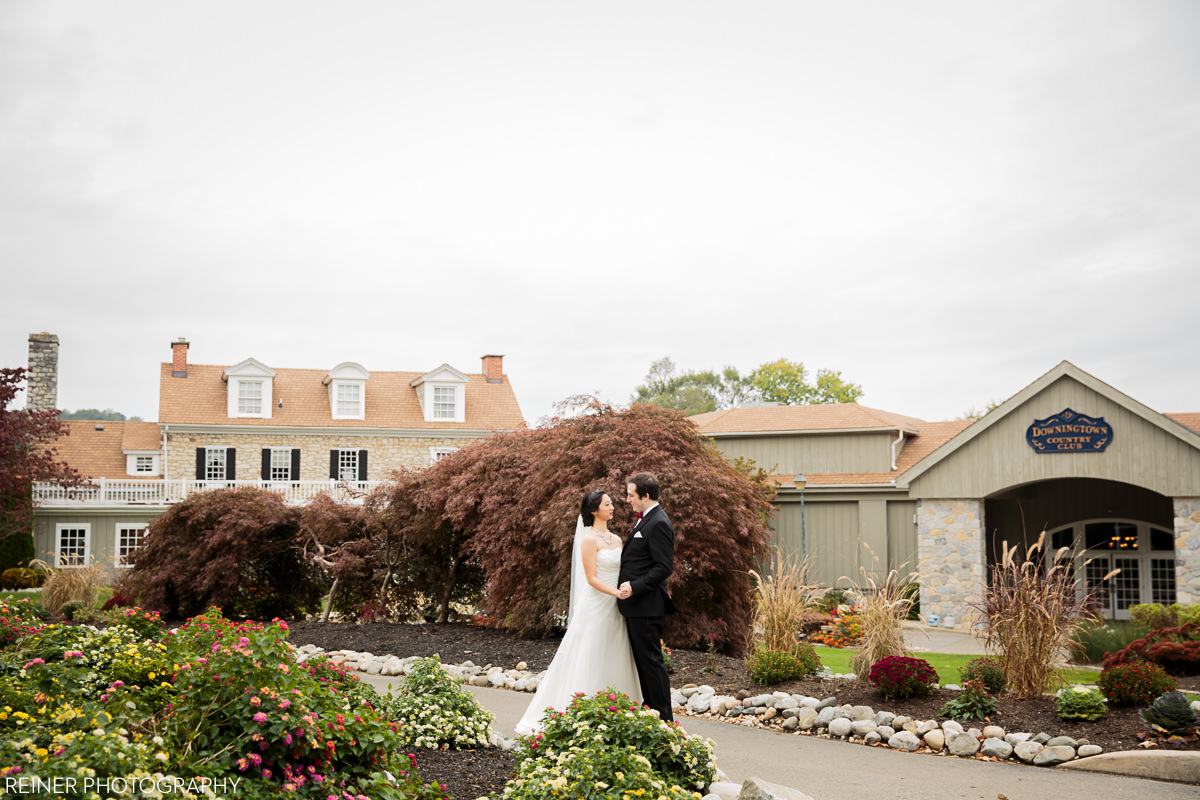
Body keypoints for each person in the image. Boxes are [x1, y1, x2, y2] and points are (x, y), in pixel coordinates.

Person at [514, 490, 642, 736]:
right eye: (608, 504)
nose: (613, 506)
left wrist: (626, 588)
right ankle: (583, 711)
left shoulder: (617, 540)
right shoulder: (588, 540)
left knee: (615, 652)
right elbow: (591, 579)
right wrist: (615, 593)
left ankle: (617, 712)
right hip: (597, 605)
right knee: (590, 654)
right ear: (594, 510)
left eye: (612, 503)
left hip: (617, 607)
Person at [617, 471, 677, 722]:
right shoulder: (645, 520)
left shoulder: (659, 522)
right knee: (644, 663)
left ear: (646, 495)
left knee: (651, 663)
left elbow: (664, 567)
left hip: (646, 606)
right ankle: (651, 711)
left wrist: (635, 586)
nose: (628, 499)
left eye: (631, 495)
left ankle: (664, 718)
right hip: (637, 607)